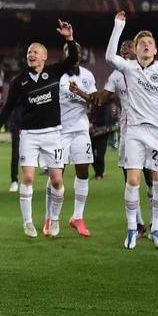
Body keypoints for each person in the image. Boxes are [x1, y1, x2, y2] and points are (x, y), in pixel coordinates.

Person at [0, 20, 78, 238]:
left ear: (44, 57)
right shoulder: (20, 81)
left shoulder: (55, 72)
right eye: (29, 52)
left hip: (53, 134)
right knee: (27, 178)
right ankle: (28, 223)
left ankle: (54, 218)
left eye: (35, 52)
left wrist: (69, 38)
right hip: (29, 134)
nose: (31, 54)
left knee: (57, 180)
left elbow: (73, 58)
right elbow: (9, 106)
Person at [105, 12, 158, 250]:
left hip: (157, 134)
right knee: (132, 180)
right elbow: (108, 56)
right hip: (133, 131)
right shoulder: (128, 68)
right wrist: (118, 26)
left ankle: (156, 228)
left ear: (155, 50)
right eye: (141, 43)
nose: (145, 45)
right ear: (135, 48)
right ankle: (132, 228)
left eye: (149, 43)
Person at [98, 40, 152, 238]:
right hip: (128, 130)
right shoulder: (116, 75)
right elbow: (101, 99)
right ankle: (138, 223)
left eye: (127, 47)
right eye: (121, 48)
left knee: (150, 177)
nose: (123, 50)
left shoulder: (151, 70)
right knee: (130, 178)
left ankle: (155, 222)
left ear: (137, 49)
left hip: (149, 130)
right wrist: (80, 93)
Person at [55, 43, 98, 237]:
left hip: (80, 130)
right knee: (57, 176)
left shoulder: (87, 76)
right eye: (70, 52)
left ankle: (77, 217)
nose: (75, 55)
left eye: (78, 52)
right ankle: (51, 218)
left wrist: (79, 92)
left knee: (83, 171)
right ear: (64, 55)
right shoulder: (56, 75)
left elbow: (95, 100)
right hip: (60, 131)